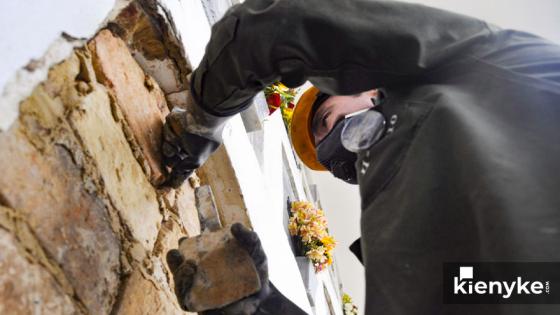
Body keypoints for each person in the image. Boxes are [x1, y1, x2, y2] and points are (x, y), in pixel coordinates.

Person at [163, 0, 560, 314]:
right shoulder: (404, 244)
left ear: (362, 86)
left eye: (327, 120)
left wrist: (201, 126)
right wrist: (262, 304)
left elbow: (274, 27)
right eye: (334, 161)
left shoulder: (501, 67)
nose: (345, 153)